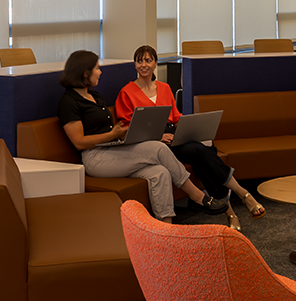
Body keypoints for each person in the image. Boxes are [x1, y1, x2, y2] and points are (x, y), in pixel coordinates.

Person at [57, 49, 227, 222]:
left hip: (113, 148)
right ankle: (197, 196)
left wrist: (123, 135)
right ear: (85, 73)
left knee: (160, 172)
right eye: (96, 68)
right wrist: (112, 134)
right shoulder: (69, 102)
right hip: (95, 158)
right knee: (158, 148)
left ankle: (165, 226)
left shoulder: (94, 96)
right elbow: (79, 142)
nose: (100, 72)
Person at [113, 45, 267, 218]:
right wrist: (158, 136)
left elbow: (176, 117)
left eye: (148, 60)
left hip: (173, 135)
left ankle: (230, 211)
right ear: (134, 65)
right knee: (201, 152)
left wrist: (191, 129)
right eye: (139, 61)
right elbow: (129, 128)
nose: (143, 65)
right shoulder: (126, 92)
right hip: (153, 143)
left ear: (156, 63)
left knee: (206, 148)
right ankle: (241, 195)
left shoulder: (165, 88)